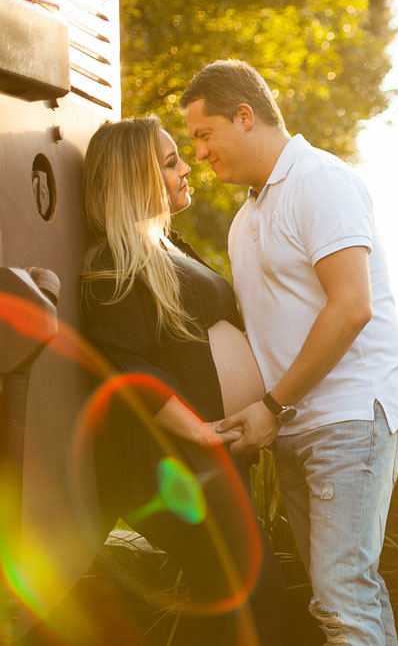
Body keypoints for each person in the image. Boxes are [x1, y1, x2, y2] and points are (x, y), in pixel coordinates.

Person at [180, 60, 398, 646]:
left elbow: (350, 307)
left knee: (342, 597)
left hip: (350, 417)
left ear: (245, 116)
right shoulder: (245, 220)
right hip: (292, 427)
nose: (201, 153)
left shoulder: (320, 181)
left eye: (204, 134)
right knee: (342, 596)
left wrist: (272, 406)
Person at [79, 116, 282, 645]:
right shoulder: (114, 265)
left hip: (211, 456)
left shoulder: (169, 246)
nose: (187, 167)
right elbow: (128, 370)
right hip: (174, 464)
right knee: (248, 591)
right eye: (171, 163)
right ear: (136, 179)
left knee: (235, 595)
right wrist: (201, 432)